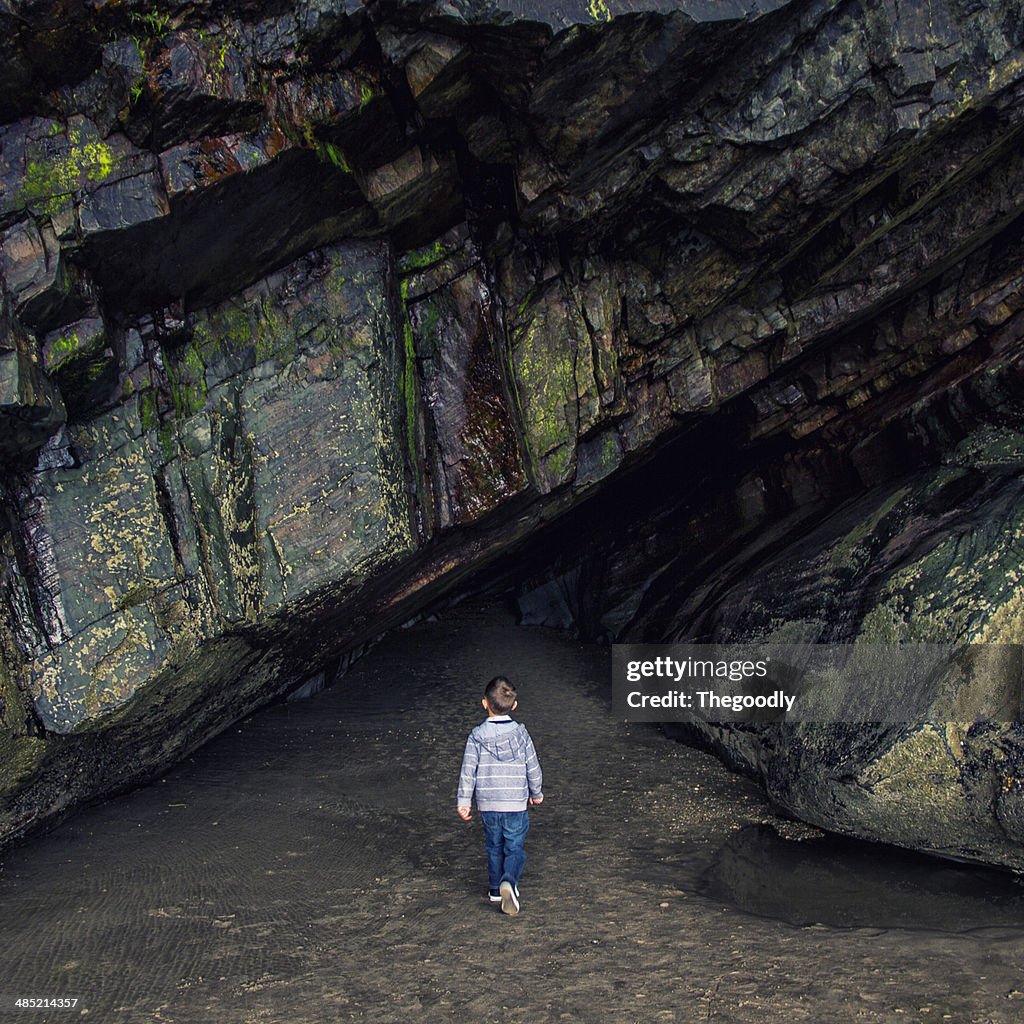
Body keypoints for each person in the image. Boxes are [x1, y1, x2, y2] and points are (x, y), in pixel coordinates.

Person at [456, 675, 544, 915]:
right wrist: (536, 793)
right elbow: (532, 766)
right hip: (515, 803)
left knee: (494, 846)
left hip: (488, 804)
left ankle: (495, 890)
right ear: (514, 706)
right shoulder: (521, 735)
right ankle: (509, 881)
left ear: (484, 703)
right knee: (514, 848)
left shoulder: (476, 736)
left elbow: (468, 771)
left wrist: (464, 801)